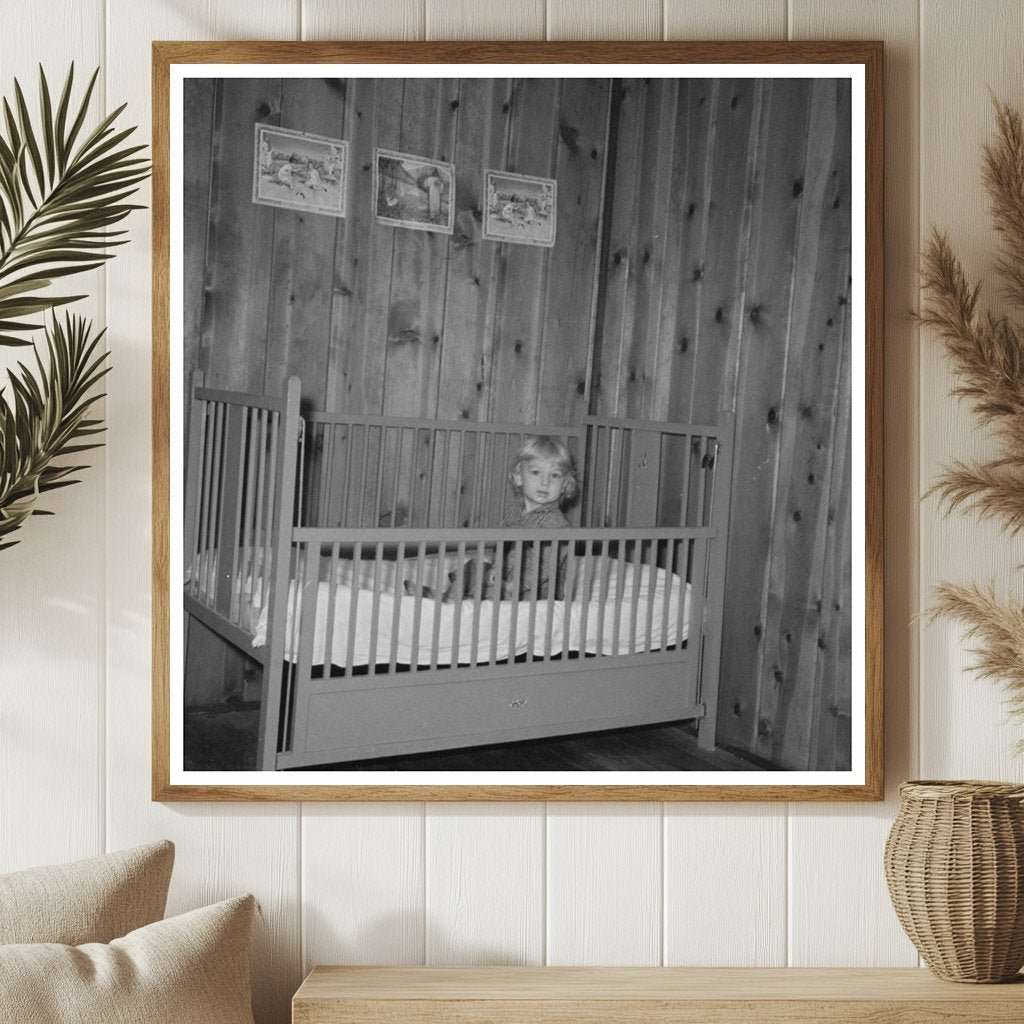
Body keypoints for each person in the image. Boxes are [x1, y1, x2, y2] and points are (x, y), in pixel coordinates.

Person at [404, 435, 578, 603]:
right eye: (536, 472)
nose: (545, 482)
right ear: (518, 476)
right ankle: (446, 596)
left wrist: (513, 585)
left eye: (555, 475)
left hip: (536, 594)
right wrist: (496, 568)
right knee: (475, 566)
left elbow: (545, 568)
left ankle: (452, 600)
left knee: (488, 586)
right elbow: (501, 547)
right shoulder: (515, 512)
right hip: (508, 580)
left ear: (565, 485)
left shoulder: (557, 525)